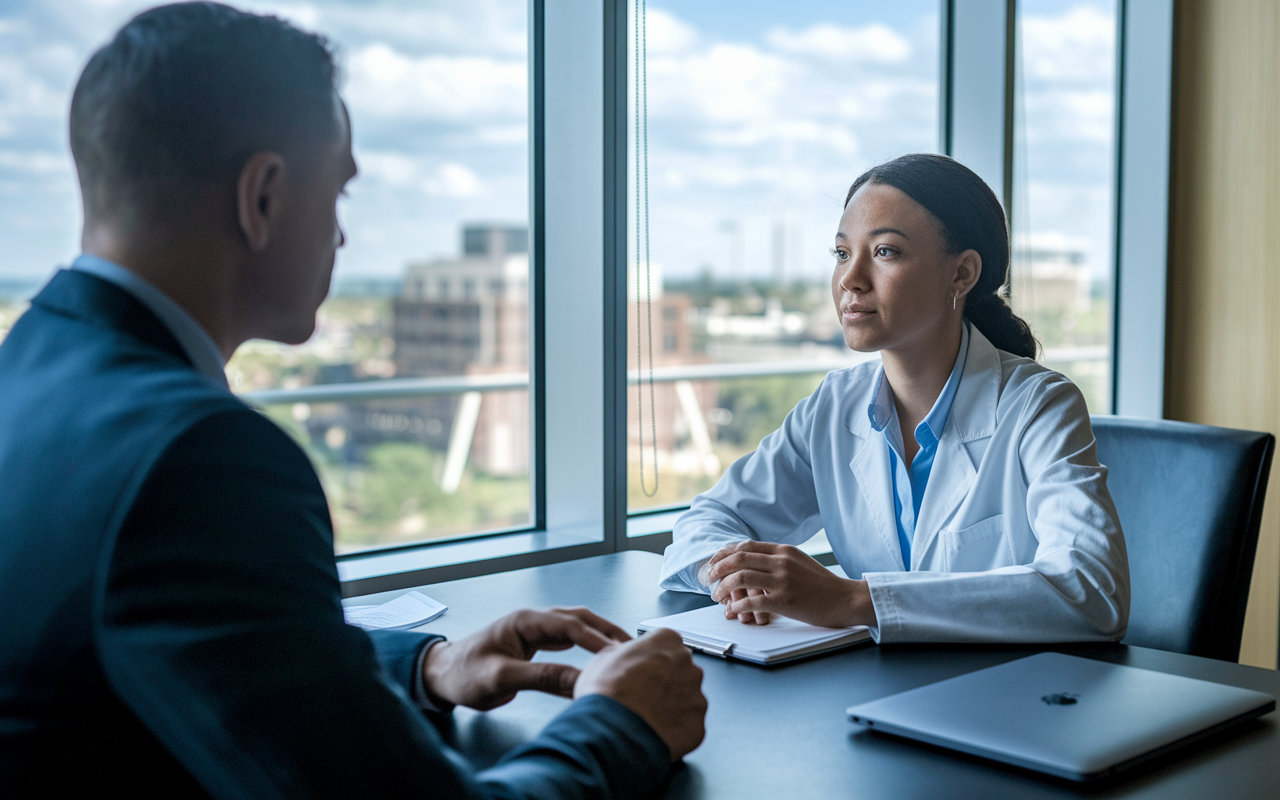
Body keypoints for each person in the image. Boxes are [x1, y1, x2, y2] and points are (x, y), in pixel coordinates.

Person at [0, 4, 705, 797]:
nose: (339, 236)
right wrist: (622, 722)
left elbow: (195, 643)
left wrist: (427, 665)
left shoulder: (28, 367)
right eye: (337, 193)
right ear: (261, 197)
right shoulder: (198, 457)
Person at [660, 153, 1130, 644]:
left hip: (1007, 697)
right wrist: (741, 578)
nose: (850, 279)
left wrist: (850, 600)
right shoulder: (833, 407)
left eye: (884, 252)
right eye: (842, 253)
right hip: (872, 689)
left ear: (962, 274)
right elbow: (707, 522)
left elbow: (1092, 592)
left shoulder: (1040, 407)